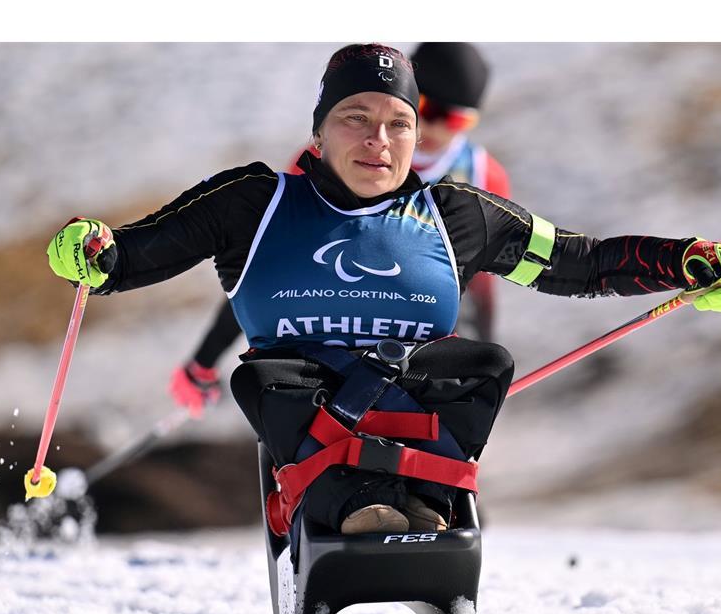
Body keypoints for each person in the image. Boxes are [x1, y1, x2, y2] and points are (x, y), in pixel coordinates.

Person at [46, 43, 721, 537]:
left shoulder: (457, 214)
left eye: (398, 124)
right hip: (305, 403)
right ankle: (359, 505)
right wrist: (92, 252)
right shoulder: (253, 201)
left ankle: (419, 504)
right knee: (265, 376)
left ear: (417, 139)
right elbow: (132, 256)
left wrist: (683, 263)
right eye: (356, 117)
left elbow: (580, 261)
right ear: (319, 132)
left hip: (410, 404)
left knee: (483, 364)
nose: (377, 139)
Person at [169, 43, 508, 419]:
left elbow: (482, 283)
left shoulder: (480, 175)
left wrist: (480, 376)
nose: (438, 128)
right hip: (321, 355)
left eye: (457, 121)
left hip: (414, 360)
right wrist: (205, 360)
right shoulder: (330, 157)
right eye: (429, 110)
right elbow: (264, 265)